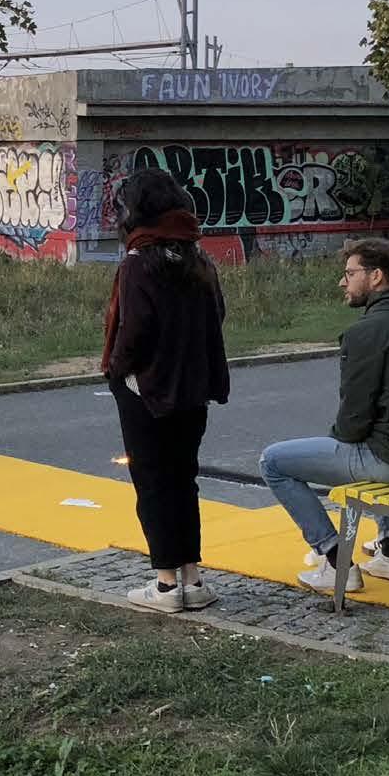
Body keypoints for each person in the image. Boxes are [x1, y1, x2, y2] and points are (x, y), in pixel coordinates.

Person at [262, 238, 389, 592]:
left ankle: (334, 560)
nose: (342, 282)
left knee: (274, 462)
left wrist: (338, 442)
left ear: (376, 277)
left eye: (350, 273)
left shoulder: (366, 333)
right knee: (382, 437)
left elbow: (352, 424)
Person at [102, 167, 230, 612]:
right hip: (194, 386)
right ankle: (192, 578)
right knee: (183, 479)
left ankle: (165, 584)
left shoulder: (137, 263)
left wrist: (116, 371)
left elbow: (134, 329)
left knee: (153, 483)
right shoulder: (199, 260)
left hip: (146, 390)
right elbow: (218, 314)